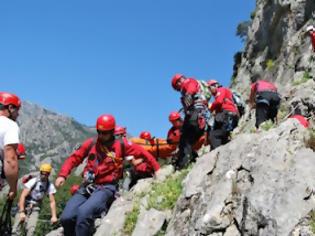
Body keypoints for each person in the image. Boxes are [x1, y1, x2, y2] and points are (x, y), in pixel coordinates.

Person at [55, 114, 160, 236]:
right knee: (66, 218)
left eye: (104, 133)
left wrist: (157, 169)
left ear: (111, 132)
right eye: (99, 132)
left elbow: (143, 152)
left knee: (84, 213)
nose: (101, 135)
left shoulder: (121, 145)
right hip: (87, 186)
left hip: (106, 187)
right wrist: (62, 175)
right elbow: (74, 158)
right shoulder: (91, 143)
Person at [171, 74, 210, 169]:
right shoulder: (189, 84)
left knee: (186, 137)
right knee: (185, 139)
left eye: (177, 87)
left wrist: (188, 94)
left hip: (196, 112)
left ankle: (183, 163)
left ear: (178, 82)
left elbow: (191, 88)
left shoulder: (188, 81)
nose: (179, 89)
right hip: (198, 113)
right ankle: (186, 160)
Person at [12, 163, 57, 236]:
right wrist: (21, 212)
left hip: (35, 208)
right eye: (43, 173)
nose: (44, 175)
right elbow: (23, 196)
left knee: (31, 229)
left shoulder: (49, 186)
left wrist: (54, 216)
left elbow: (52, 202)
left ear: (49, 174)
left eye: (46, 174)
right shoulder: (33, 181)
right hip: (24, 205)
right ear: (40, 172)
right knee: (16, 229)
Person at [0, 92, 21, 200]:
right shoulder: (10, 125)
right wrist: (13, 188)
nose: (18, 114)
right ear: (10, 107)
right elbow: (10, 160)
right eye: (18, 110)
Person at [208, 80, 239, 149]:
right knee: (222, 136)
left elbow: (219, 101)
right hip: (230, 115)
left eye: (210, 88)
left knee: (214, 135)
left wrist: (211, 108)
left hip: (227, 114)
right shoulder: (222, 94)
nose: (210, 91)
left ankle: (217, 152)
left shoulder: (221, 89)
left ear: (215, 85)